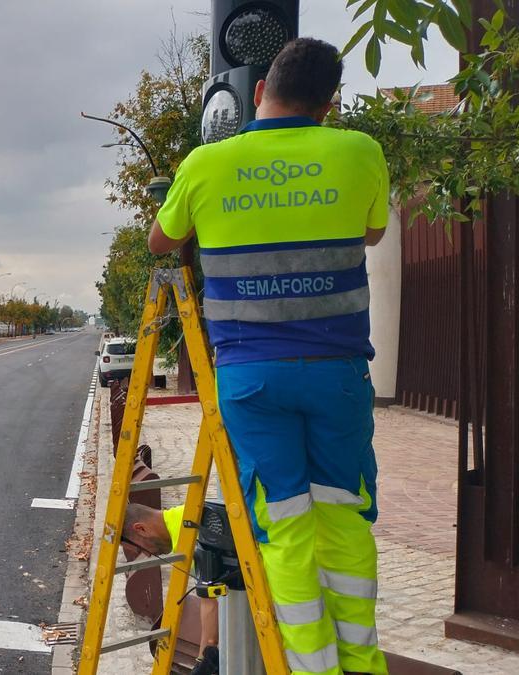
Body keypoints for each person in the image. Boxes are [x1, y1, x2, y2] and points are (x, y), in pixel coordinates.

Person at [148, 38, 389, 675]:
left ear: (259, 92)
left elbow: (160, 241)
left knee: (282, 523)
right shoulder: (359, 152)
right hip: (337, 373)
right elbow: (371, 229)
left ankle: (313, 668)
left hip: (249, 377)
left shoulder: (207, 163)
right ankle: (361, 664)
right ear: (329, 105)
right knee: (344, 514)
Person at [122, 502, 219, 675]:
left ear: (141, 529)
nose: (150, 554)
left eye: (140, 548)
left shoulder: (192, 538)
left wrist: (202, 662)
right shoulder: (187, 513)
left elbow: (212, 600)